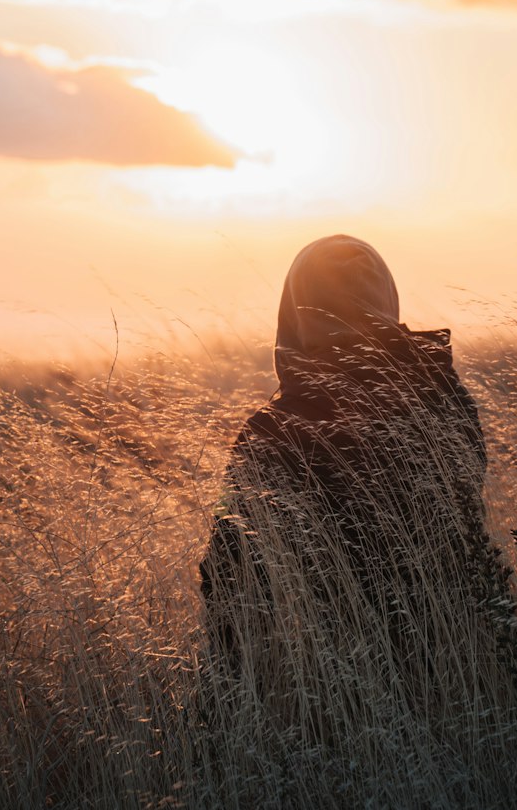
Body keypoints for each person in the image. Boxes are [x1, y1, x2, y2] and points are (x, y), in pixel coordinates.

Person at [199, 234, 491, 697]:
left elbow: (226, 578)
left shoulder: (271, 432)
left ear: (295, 314)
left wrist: (224, 696)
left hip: (328, 690)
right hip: (465, 671)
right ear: (386, 302)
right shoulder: (446, 401)